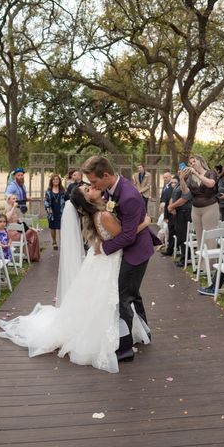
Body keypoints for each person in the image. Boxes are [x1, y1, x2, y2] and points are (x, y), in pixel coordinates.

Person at [0, 184, 152, 373]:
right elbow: (125, 237)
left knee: (111, 298)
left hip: (104, 259)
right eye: (88, 190)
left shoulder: (101, 212)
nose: (93, 188)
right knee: (109, 299)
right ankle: (115, 339)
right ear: (87, 200)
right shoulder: (102, 215)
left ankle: (123, 335)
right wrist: (145, 222)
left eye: (90, 186)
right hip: (108, 261)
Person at [82, 155, 161, 363]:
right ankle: (144, 333)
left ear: (106, 175)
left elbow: (127, 235)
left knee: (123, 298)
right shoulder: (111, 190)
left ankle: (124, 348)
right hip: (128, 249)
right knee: (132, 293)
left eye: (94, 182)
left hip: (136, 252)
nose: (93, 185)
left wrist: (104, 248)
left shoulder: (129, 196)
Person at [180, 154, 220, 250]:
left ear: (201, 162)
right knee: (199, 237)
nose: (192, 164)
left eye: (194, 161)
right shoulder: (190, 177)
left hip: (210, 207)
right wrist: (181, 178)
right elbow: (185, 191)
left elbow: (211, 184)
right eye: (190, 163)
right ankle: (201, 264)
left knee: (209, 237)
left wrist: (197, 174)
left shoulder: (211, 172)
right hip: (195, 208)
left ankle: (210, 264)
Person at [5, 194, 41, 262]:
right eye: (13, 199)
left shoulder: (15, 210)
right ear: (8, 200)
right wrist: (13, 208)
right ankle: (31, 255)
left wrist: (30, 227)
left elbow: (20, 224)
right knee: (33, 233)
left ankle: (31, 255)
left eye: (16, 198)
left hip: (18, 232)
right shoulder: (8, 209)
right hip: (12, 235)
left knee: (34, 233)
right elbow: (7, 218)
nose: (15, 200)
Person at [169, 172, 192, 267]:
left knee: (183, 236)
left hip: (184, 212)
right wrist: (171, 206)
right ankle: (184, 256)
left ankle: (185, 259)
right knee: (180, 234)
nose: (179, 172)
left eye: (182, 171)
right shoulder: (179, 183)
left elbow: (185, 198)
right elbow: (173, 196)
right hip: (178, 212)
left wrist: (172, 206)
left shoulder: (188, 183)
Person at [44, 174, 66, 250]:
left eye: (57, 179)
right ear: (51, 181)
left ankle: (61, 242)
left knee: (61, 227)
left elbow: (66, 201)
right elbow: (46, 201)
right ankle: (54, 242)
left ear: (59, 181)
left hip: (61, 211)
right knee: (52, 227)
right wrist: (48, 209)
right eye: (54, 179)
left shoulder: (63, 191)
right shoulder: (48, 191)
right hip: (51, 211)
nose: (55, 181)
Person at [159, 172, 175, 256]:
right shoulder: (165, 187)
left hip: (171, 211)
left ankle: (169, 249)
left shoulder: (172, 187)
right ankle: (166, 245)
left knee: (169, 231)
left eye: (166, 177)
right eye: (164, 178)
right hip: (165, 211)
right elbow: (162, 197)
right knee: (165, 228)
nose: (165, 179)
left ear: (170, 177)